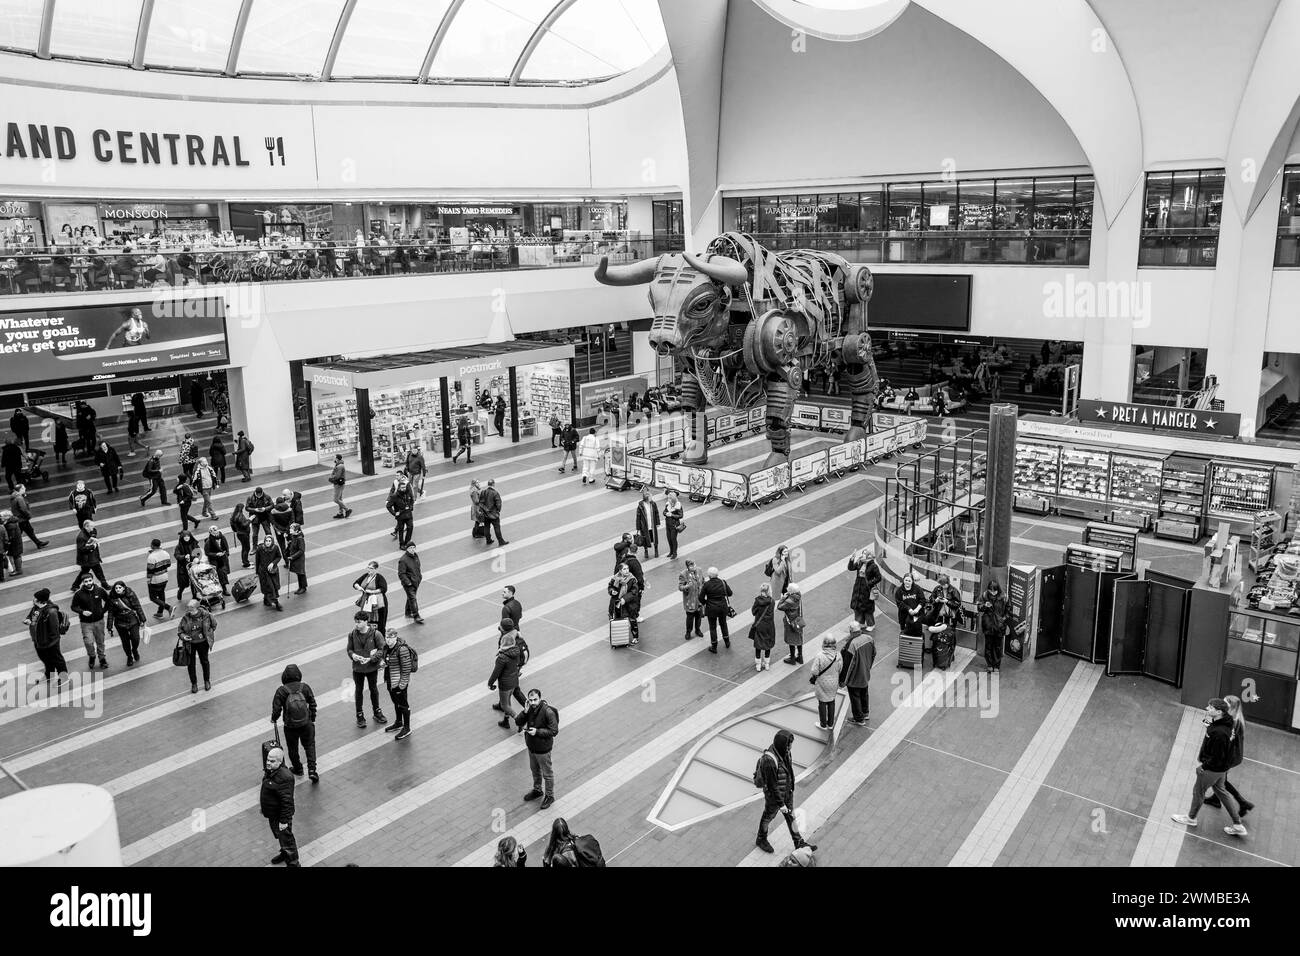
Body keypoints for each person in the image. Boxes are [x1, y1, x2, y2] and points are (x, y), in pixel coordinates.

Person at [1171, 699, 1248, 837]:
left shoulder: (1219, 733)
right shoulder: (1227, 723)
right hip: (1223, 768)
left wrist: (1203, 766)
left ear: (1219, 712)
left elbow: (1217, 755)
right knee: (1221, 792)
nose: (1207, 708)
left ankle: (1191, 818)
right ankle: (1238, 824)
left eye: (1210, 708)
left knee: (1198, 792)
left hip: (1213, 769)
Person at [754, 730, 816, 854]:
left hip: (787, 792)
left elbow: (788, 772)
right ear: (782, 745)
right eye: (789, 745)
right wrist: (781, 804)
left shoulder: (785, 752)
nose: (790, 747)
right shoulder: (769, 761)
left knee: (790, 817)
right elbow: (772, 785)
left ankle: (799, 842)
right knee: (768, 816)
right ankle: (761, 839)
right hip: (774, 797)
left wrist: (791, 788)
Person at [1205, 695, 1254, 818]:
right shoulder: (1235, 719)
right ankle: (1216, 799)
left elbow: (1226, 739)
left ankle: (1242, 803)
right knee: (1221, 778)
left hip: (1230, 755)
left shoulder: (1234, 721)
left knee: (1222, 780)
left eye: (1225, 703)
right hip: (1232, 754)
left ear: (1230, 706)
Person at [271, 663, 319, 783]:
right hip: (305, 723)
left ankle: (298, 768)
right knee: (309, 746)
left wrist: (274, 718)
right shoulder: (305, 687)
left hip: (290, 726)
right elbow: (312, 703)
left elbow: (276, 709)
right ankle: (312, 770)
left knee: (292, 749)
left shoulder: (281, 691)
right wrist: (312, 718)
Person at [515, 688, 559, 810]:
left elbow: (554, 731)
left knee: (547, 774)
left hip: (543, 749)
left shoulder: (548, 712)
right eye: (531, 700)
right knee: (535, 770)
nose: (533, 702)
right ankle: (537, 790)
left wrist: (537, 732)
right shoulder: (529, 709)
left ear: (540, 699)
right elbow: (518, 722)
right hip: (532, 747)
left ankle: (550, 796)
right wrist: (524, 712)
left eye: (535, 700)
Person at [346, 611, 388, 728]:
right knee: (358, 691)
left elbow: (382, 649)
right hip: (358, 669)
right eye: (356, 622)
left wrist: (371, 659)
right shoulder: (352, 634)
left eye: (359, 622)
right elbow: (349, 649)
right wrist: (353, 656)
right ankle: (359, 715)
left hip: (371, 668)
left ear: (366, 621)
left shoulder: (376, 634)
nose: (356, 624)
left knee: (373, 689)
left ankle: (377, 712)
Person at [260, 746, 299, 867]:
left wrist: (283, 821)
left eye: (272, 761)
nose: (268, 763)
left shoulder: (284, 778)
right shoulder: (271, 771)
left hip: (280, 816)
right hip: (273, 813)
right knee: (281, 837)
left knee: (287, 840)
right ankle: (284, 853)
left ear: (280, 761)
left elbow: (287, 802)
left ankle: (294, 863)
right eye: (268, 759)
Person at [25, 588, 69, 684]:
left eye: (34, 598)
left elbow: (55, 631)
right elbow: (31, 616)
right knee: (45, 659)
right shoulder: (36, 608)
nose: (33, 599)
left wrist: (50, 644)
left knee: (57, 659)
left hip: (49, 642)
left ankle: (64, 677)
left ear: (39, 600)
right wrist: (28, 619)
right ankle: (49, 675)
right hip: (38, 640)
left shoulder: (51, 612)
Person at [838, 621, 875, 725]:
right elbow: (873, 654)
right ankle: (865, 712)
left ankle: (859, 718)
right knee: (864, 693)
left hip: (855, 676)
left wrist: (842, 681)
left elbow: (847, 665)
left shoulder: (852, 644)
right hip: (865, 672)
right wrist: (868, 667)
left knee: (855, 696)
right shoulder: (869, 638)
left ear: (851, 631)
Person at [70, 576, 110, 671]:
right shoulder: (79, 594)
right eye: (86, 581)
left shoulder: (100, 590)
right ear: (83, 583)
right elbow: (74, 607)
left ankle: (102, 658)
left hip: (99, 621)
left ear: (93, 580)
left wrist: (103, 611)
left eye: (89, 580)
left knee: (100, 641)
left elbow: (108, 601)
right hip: (86, 623)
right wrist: (82, 612)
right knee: (88, 642)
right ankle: (92, 656)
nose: (88, 583)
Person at [382, 628, 415, 741]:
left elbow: (406, 669)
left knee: (403, 705)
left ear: (395, 637)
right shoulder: (386, 648)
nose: (388, 640)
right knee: (396, 703)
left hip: (399, 683)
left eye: (391, 637)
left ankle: (407, 727)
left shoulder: (402, 649)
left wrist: (401, 686)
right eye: (387, 637)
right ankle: (398, 722)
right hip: (390, 681)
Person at [489, 628, 524, 727]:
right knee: (508, 702)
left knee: (505, 705)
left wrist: (490, 683)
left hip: (505, 684)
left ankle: (519, 721)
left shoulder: (502, 658)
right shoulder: (516, 651)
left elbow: (496, 673)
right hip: (514, 681)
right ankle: (506, 721)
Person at [106, 580, 145, 667]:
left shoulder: (130, 594)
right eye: (116, 588)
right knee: (125, 641)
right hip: (120, 622)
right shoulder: (112, 597)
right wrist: (109, 626)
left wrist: (143, 619)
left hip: (132, 619)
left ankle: (134, 650)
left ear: (124, 588)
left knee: (135, 638)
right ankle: (129, 657)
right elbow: (110, 613)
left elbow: (137, 606)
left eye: (120, 587)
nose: (118, 589)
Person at [809, 635, 840, 730]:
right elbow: (840, 668)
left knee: (822, 702)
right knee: (831, 701)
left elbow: (814, 671)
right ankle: (830, 724)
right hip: (834, 682)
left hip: (822, 683)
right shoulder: (838, 655)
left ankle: (823, 724)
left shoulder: (820, 656)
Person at [699, 567, 733, 653]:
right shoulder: (723, 582)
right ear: (717, 574)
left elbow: (700, 598)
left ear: (709, 575)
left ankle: (714, 647)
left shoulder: (706, 585)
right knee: (723, 624)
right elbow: (730, 593)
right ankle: (727, 642)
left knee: (713, 627)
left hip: (711, 609)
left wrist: (706, 602)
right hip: (722, 607)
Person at [847, 547, 882, 628]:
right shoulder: (860, 563)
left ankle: (871, 624)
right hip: (858, 587)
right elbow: (851, 568)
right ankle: (860, 622)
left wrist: (869, 583)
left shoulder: (873, 566)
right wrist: (852, 559)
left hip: (867, 590)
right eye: (863, 553)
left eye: (865, 553)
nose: (863, 555)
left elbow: (878, 577)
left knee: (867, 608)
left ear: (869, 556)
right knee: (858, 606)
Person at [978, 579, 1008, 673]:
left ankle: (997, 666)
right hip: (988, 625)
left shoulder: (1004, 597)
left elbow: (1009, 611)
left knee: (998, 647)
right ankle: (990, 664)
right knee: (988, 646)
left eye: (994, 590)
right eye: (991, 590)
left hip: (999, 626)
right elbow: (979, 607)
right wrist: (984, 606)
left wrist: (1003, 619)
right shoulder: (985, 595)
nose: (992, 593)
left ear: (997, 589)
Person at [608, 563, 641, 646]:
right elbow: (610, 586)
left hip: (630, 603)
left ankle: (635, 637)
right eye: (624, 569)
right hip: (618, 602)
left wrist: (624, 599)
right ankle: (619, 638)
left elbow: (634, 592)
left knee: (632, 619)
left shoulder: (632, 579)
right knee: (618, 619)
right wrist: (612, 591)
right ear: (620, 570)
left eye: (627, 568)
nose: (627, 570)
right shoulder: (615, 578)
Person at [353, 560, 389, 634]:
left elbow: (384, 589)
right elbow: (355, 583)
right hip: (367, 602)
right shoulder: (365, 575)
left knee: (380, 621)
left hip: (378, 603)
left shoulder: (379, 577)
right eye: (368, 568)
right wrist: (358, 587)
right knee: (366, 619)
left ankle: (380, 636)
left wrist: (372, 592)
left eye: (371, 568)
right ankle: (368, 634)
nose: (369, 570)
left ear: (376, 569)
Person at [749, 583, 778, 671]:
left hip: (759, 625)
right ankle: (767, 664)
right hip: (769, 625)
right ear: (769, 591)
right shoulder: (772, 601)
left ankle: (758, 665)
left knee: (758, 644)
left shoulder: (757, 601)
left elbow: (753, 612)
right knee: (768, 644)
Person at [73, 521, 108, 589]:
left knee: (84, 572)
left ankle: (75, 585)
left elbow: (94, 531)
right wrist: (93, 546)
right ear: (86, 527)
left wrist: (93, 537)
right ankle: (105, 585)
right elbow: (81, 549)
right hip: (88, 559)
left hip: (89, 558)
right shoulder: (81, 537)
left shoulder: (89, 531)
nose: (93, 528)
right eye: (91, 527)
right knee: (99, 572)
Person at [145, 539, 174, 619]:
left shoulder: (151, 557)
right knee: (161, 594)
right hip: (165, 577)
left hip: (155, 579)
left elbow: (150, 569)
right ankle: (160, 612)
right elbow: (168, 564)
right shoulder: (166, 553)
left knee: (153, 597)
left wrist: (148, 580)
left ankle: (169, 608)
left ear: (152, 545)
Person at [778, 583, 805, 665]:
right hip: (798, 620)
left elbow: (779, 606)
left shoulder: (789, 601)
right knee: (799, 638)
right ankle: (800, 657)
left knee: (791, 639)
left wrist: (783, 597)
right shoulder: (799, 596)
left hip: (791, 622)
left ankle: (792, 658)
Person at [397, 542, 424, 624]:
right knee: (413, 599)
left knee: (411, 598)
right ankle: (416, 616)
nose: (412, 549)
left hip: (416, 581)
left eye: (413, 547)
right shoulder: (403, 560)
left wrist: (419, 577)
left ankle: (408, 613)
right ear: (407, 549)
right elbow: (401, 573)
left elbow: (418, 567)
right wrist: (408, 583)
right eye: (410, 548)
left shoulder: (415, 556)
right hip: (409, 584)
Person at [254, 537, 284, 611]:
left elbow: (279, 557)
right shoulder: (260, 549)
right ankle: (276, 603)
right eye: (266, 541)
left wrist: (273, 563)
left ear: (272, 541)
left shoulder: (275, 548)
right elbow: (257, 560)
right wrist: (257, 572)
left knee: (273, 586)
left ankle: (266, 599)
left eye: (269, 541)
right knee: (270, 588)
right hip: (263, 572)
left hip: (273, 571)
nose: (268, 542)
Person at [678, 558, 704, 641]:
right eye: (691, 565)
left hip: (699, 599)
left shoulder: (699, 570)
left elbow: (703, 581)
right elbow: (680, 587)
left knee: (699, 616)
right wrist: (687, 586)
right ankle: (688, 632)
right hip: (690, 600)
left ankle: (697, 629)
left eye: (694, 564)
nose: (693, 567)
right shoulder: (683, 574)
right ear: (688, 567)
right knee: (690, 618)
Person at [387, 478, 415, 550]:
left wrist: (411, 506)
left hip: (408, 514)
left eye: (404, 487)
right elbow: (388, 506)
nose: (404, 488)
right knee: (401, 530)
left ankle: (407, 542)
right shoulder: (395, 496)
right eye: (402, 487)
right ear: (399, 488)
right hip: (401, 516)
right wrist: (394, 513)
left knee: (410, 527)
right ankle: (401, 544)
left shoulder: (407, 493)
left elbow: (412, 499)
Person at [896, 572, 925, 639]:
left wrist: (917, 609)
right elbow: (899, 603)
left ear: (912, 581)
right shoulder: (899, 591)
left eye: (909, 581)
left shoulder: (918, 589)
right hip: (904, 615)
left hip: (916, 615)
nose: (907, 582)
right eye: (906, 580)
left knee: (915, 632)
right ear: (903, 580)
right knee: (904, 632)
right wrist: (908, 609)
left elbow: (923, 600)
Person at [203, 524, 231, 595]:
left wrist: (226, 554)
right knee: (216, 576)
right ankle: (218, 589)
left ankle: (224, 589)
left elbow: (226, 547)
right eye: (213, 532)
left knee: (223, 574)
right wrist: (216, 554)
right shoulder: (208, 541)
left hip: (222, 559)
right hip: (214, 560)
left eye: (216, 531)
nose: (216, 533)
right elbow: (207, 552)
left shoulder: (222, 537)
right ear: (211, 533)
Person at [479, 478, 506, 546]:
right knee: (497, 528)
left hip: (485, 514)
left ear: (488, 484)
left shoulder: (483, 492)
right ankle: (501, 541)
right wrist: (497, 511)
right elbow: (498, 504)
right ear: (493, 484)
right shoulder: (495, 493)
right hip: (493, 515)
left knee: (486, 527)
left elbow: (480, 503)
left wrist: (484, 510)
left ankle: (488, 540)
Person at [635, 488, 660, 559]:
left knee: (654, 538)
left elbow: (657, 513)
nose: (652, 498)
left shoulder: (653, 504)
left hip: (652, 524)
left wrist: (657, 522)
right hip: (644, 526)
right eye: (650, 497)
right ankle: (646, 551)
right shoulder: (641, 506)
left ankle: (656, 550)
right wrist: (638, 527)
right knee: (645, 539)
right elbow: (638, 517)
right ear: (646, 498)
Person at [285, 523, 307, 594]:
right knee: (298, 573)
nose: (290, 530)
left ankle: (303, 587)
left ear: (296, 530)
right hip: (295, 558)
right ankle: (300, 587)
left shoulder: (300, 539)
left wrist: (292, 557)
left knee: (301, 573)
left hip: (299, 559)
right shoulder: (294, 536)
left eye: (291, 529)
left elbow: (301, 550)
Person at [328, 454, 351, 518]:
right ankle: (340, 513)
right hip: (339, 484)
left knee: (336, 499)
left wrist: (331, 478)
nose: (333, 459)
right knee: (340, 499)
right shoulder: (339, 465)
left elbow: (337, 476)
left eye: (334, 458)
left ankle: (347, 510)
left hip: (338, 484)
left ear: (337, 458)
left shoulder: (340, 466)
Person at [230, 502, 253, 569]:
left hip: (239, 533)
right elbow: (244, 525)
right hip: (243, 534)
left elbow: (232, 525)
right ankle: (246, 564)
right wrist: (250, 519)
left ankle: (245, 561)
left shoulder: (234, 515)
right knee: (247, 548)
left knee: (244, 548)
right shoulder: (239, 516)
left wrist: (236, 530)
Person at [1, 509, 21, 578]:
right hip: (17, 542)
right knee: (17, 555)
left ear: (6, 517)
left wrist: (8, 542)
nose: (0, 517)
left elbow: (11, 536)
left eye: (1, 516)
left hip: (14, 543)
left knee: (16, 555)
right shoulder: (12, 522)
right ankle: (18, 569)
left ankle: (18, 570)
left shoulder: (10, 525)